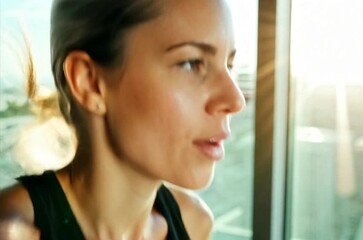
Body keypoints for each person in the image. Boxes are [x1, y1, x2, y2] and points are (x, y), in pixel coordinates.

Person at [0, 0, 245, 239]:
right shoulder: (11, 229)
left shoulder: (194, 223)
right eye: (191, 64)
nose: (236, 100)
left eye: (229, 65)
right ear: (89, 82)